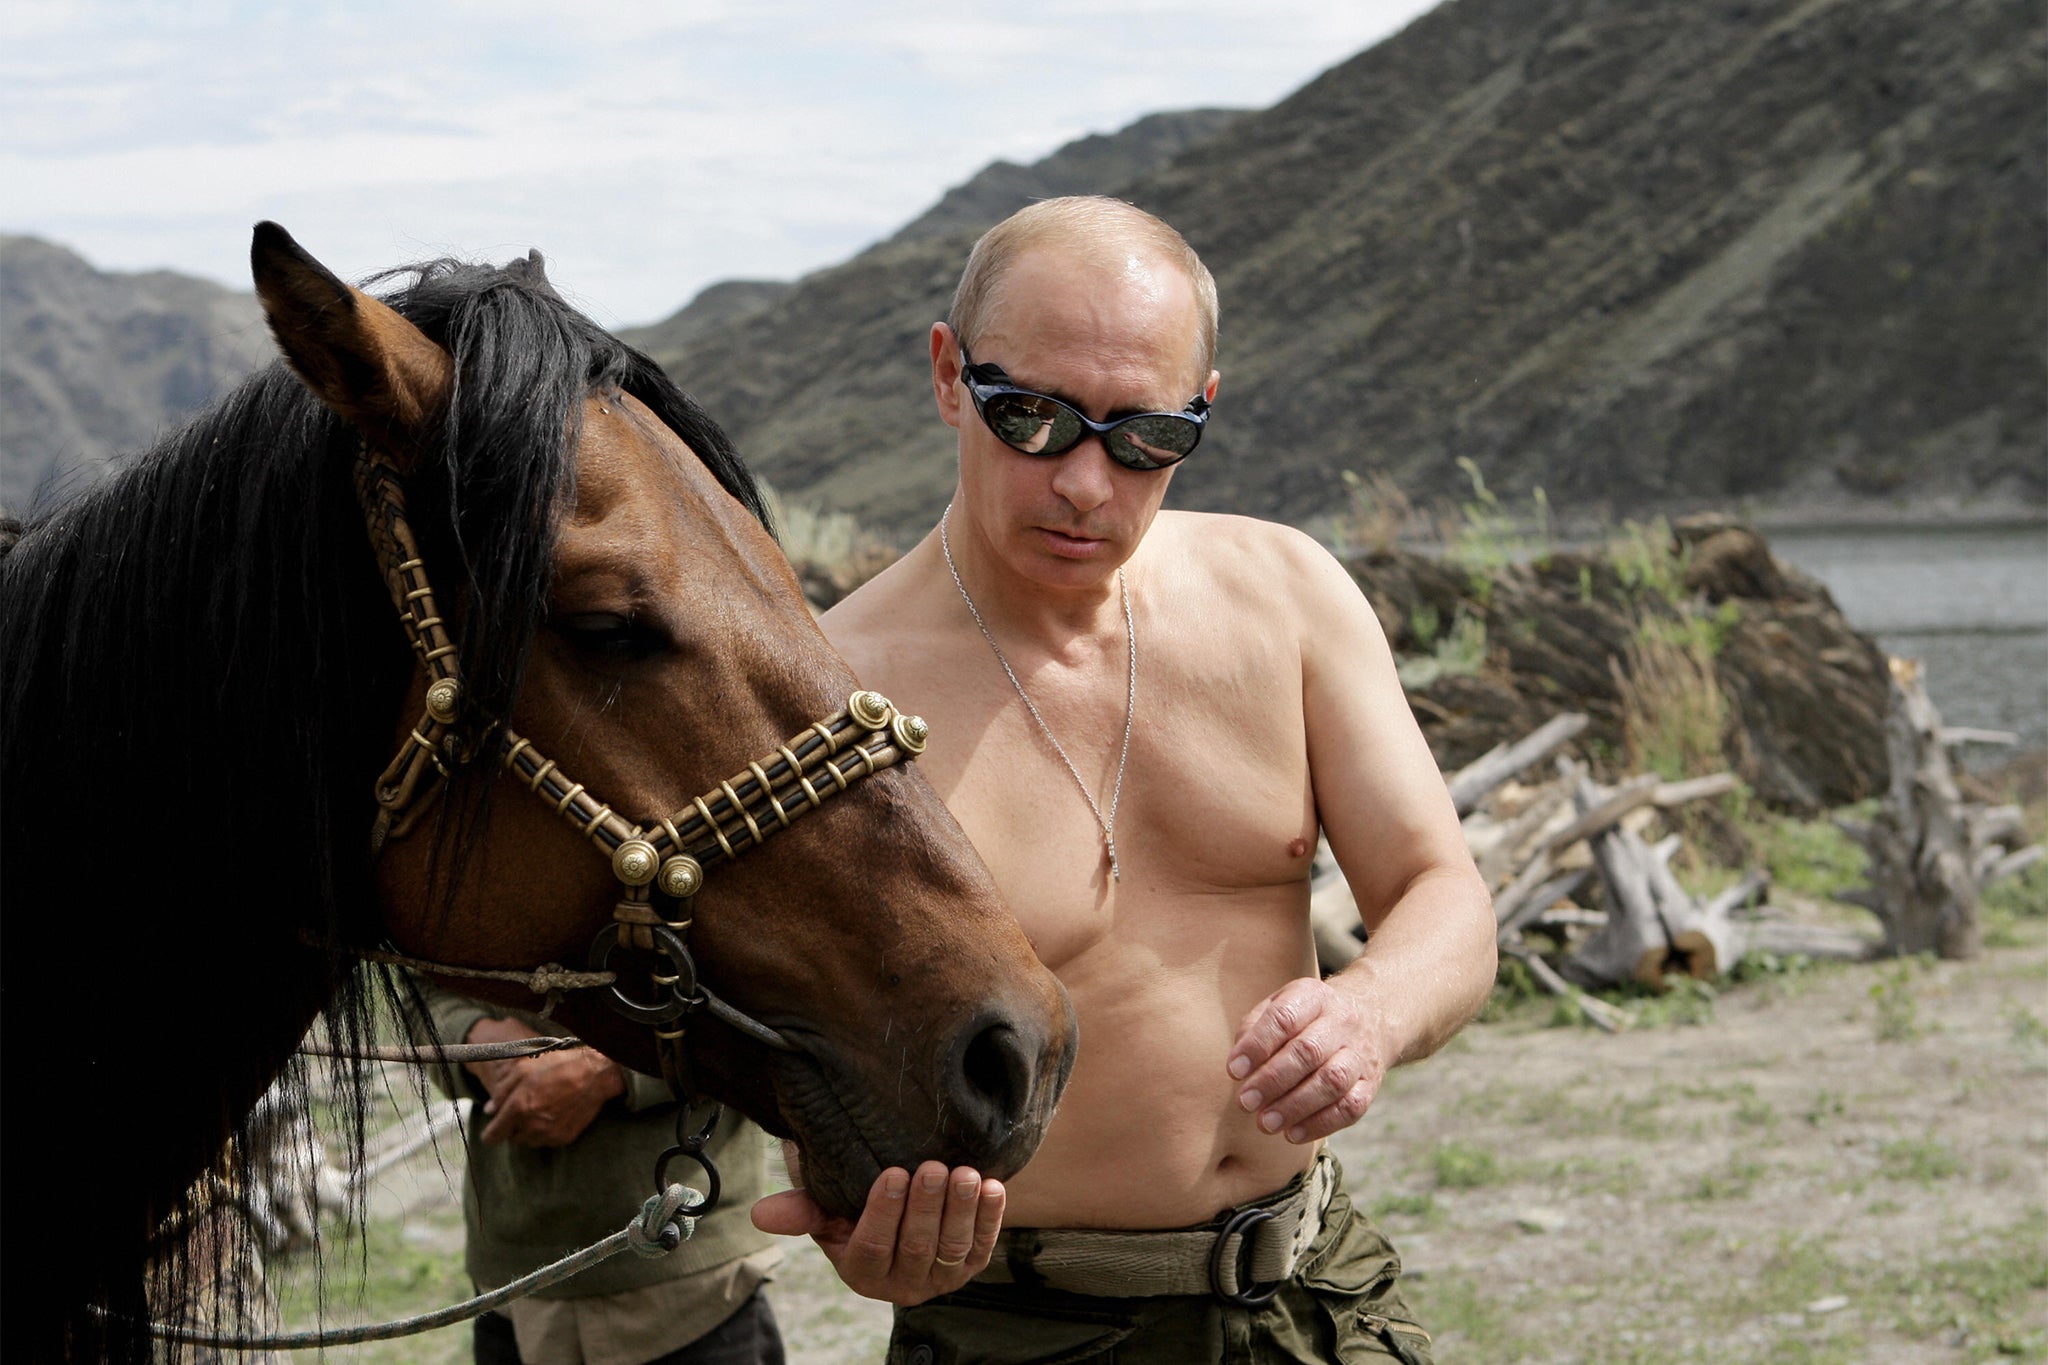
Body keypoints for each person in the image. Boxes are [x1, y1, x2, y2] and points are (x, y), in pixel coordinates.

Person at [751, 196, 1497, 1363]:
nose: (1087, 484)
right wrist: (862, 1232)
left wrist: (1370, 1013)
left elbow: (1438, 889)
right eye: (1033, 418)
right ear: (949, 377)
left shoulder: (1285, 595)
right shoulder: (833, 700)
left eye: (1144, 437)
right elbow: (822, 1076)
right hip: (1019, 1328)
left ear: (1201, 409)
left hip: (1312, 1292)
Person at [413, 976, 785, 1365]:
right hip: (514, 1284)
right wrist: (478, 1040)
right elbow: (420, 988)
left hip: (694, 1282)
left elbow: (763, 1002)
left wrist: (609, 1070)